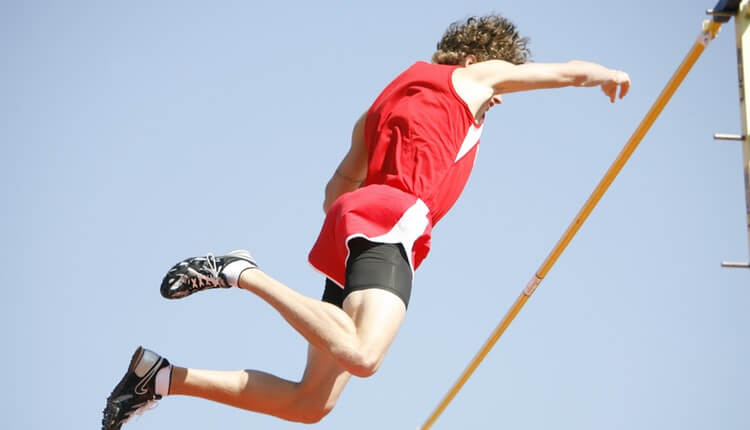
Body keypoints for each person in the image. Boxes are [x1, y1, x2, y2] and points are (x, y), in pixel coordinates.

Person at [102, 14, 630, 428]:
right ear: (476, 59)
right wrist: (605, 74)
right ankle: (241, 272)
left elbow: (338, 185)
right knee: (363, 355)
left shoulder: (381, 104)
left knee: (309, 404)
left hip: (352, 226)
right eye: (498, 90)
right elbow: (563, 72)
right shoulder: (473, 77)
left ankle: (161, 379)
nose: (496, 100)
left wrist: (353, 225)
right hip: (392, 218)